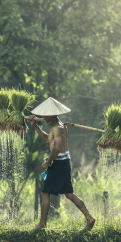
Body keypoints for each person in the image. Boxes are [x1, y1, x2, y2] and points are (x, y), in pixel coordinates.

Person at [28, 97, 95, 229]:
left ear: (51, 115)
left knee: (45, 192)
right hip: (64, 162)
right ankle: (89, 217)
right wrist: (35, 126)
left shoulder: (58, 128)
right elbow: (48, 139)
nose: (42, 116)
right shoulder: (58, 126)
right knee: (69, 193)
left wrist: (47, 162)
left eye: (45, 114)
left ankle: (42, 224)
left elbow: (57, 149)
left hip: (59, 163)